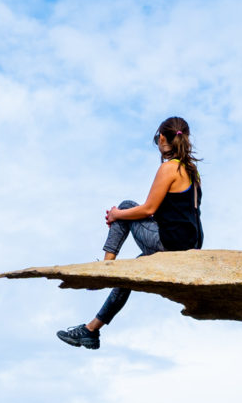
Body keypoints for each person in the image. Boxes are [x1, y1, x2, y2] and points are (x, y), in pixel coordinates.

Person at [57, 116, 203, 350]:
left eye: (158, 138)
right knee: (129, 274)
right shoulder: (192, 172)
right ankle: (91, 330)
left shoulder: (169, 168)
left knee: (125, 205)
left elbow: (148, 208)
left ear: (163, 138)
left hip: (169, 243)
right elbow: (187, 215)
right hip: (189, 245)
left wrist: (116, 215)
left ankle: (105, 270)